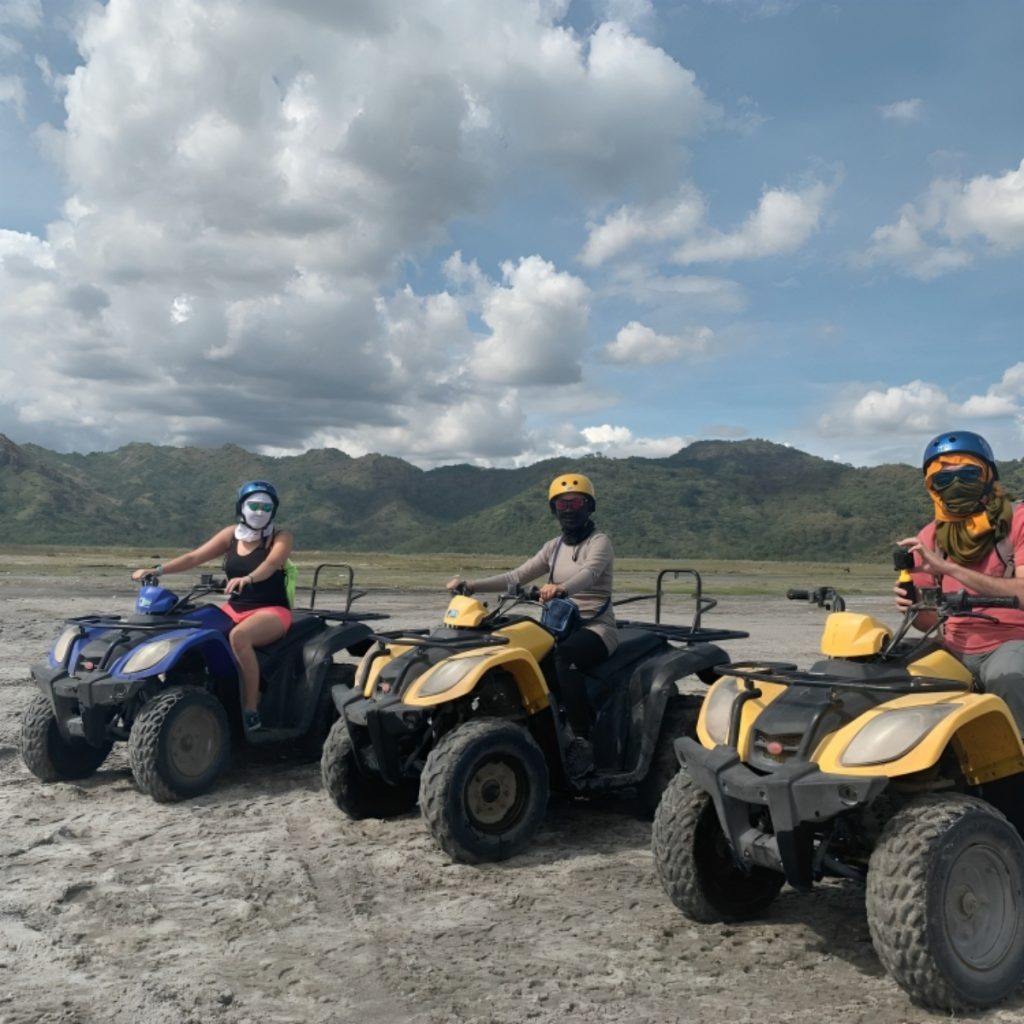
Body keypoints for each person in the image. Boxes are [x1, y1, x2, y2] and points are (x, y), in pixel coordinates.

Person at [446, 472, 616, 773]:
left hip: (595, 628)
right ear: (554, 509)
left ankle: (582, 739)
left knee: (564, 658)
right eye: (562, 504)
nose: (569, 509)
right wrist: (471, 586)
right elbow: (517, 576)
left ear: (589, 506)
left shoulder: (599, 542)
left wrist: (561, 589)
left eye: (576, 502)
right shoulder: (553, 547)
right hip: (558, 626)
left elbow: (589, 574)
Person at [131, 480, 294, 731]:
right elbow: (195, 557)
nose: (260, 511)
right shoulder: (231, 535)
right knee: (190, 629)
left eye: (266, 507)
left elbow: (272, 564)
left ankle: (251, 708)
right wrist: (157, 570)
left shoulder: (280, 537)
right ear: (241, 507)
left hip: (270, 610)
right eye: (254, 505)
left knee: (239, 637)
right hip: (235, 608)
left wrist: (249, 578)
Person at [895, 430, 1024, 729]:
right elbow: (929, 622)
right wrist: (912, 604)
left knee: (1008, 676)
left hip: (1012, 641)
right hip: (954, 645)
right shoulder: (931, 536)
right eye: (943, 479)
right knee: (892, 675)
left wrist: (950, 569)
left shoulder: (1017, 520)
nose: (956, 485)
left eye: (968, 474)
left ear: (988, 476)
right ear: (932, 487)